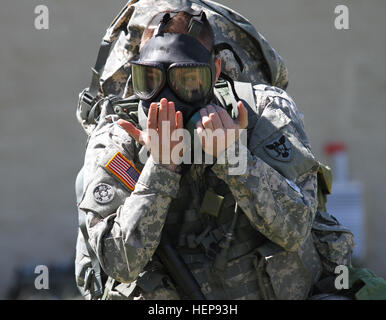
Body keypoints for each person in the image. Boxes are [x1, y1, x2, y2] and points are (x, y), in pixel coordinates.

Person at [75, 9, 323, 300]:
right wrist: (160, 167)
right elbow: (119, 265)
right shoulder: (118, 135)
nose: (167, 98)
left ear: (215, 71)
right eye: (150, 79)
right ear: (135, 72)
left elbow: (296, 229)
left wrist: (232, 158)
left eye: (187, 78)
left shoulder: (263, 112)